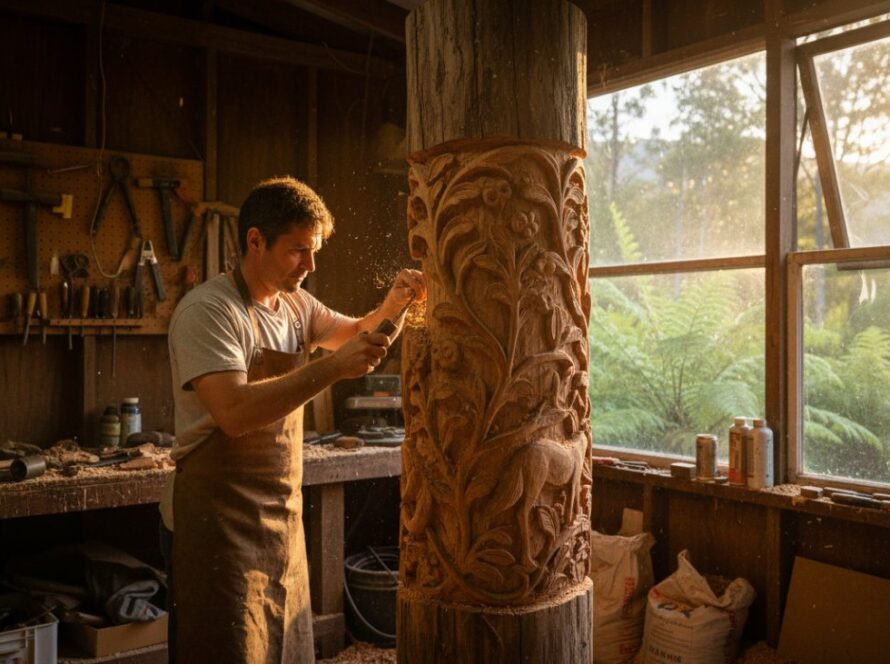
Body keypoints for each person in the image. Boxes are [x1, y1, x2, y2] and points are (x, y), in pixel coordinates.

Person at [157, 176, 426, 663]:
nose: (310, 264)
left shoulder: (297, 306)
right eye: (298, 251)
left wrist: (396, 304)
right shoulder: (209, 311)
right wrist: (332, 368)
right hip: (216, 525)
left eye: (314, 250)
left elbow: (355, 334)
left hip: (279, 518)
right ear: (255, 241)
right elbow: (234, 412)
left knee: (283, 648)